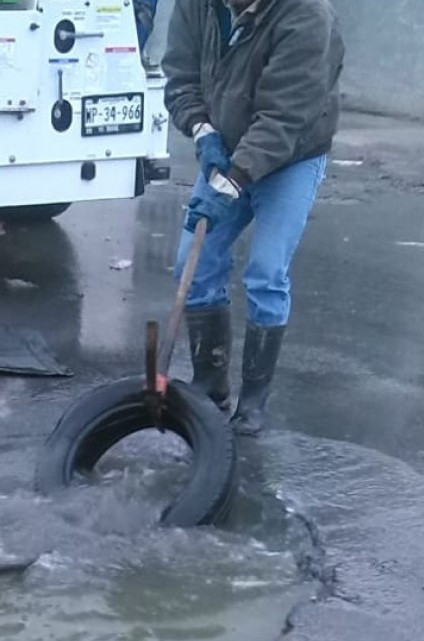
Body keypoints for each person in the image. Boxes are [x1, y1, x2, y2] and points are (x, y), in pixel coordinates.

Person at [162, 0, 344, 435]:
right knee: (196, 259)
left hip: (293, 153)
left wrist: (233, 182)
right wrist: (203, 132)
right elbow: (181, 79)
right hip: (225, 144)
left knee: (266, 271)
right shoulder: (197, 5)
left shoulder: (306, 15)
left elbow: (284, 118)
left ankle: (254, 402)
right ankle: (210, 386)